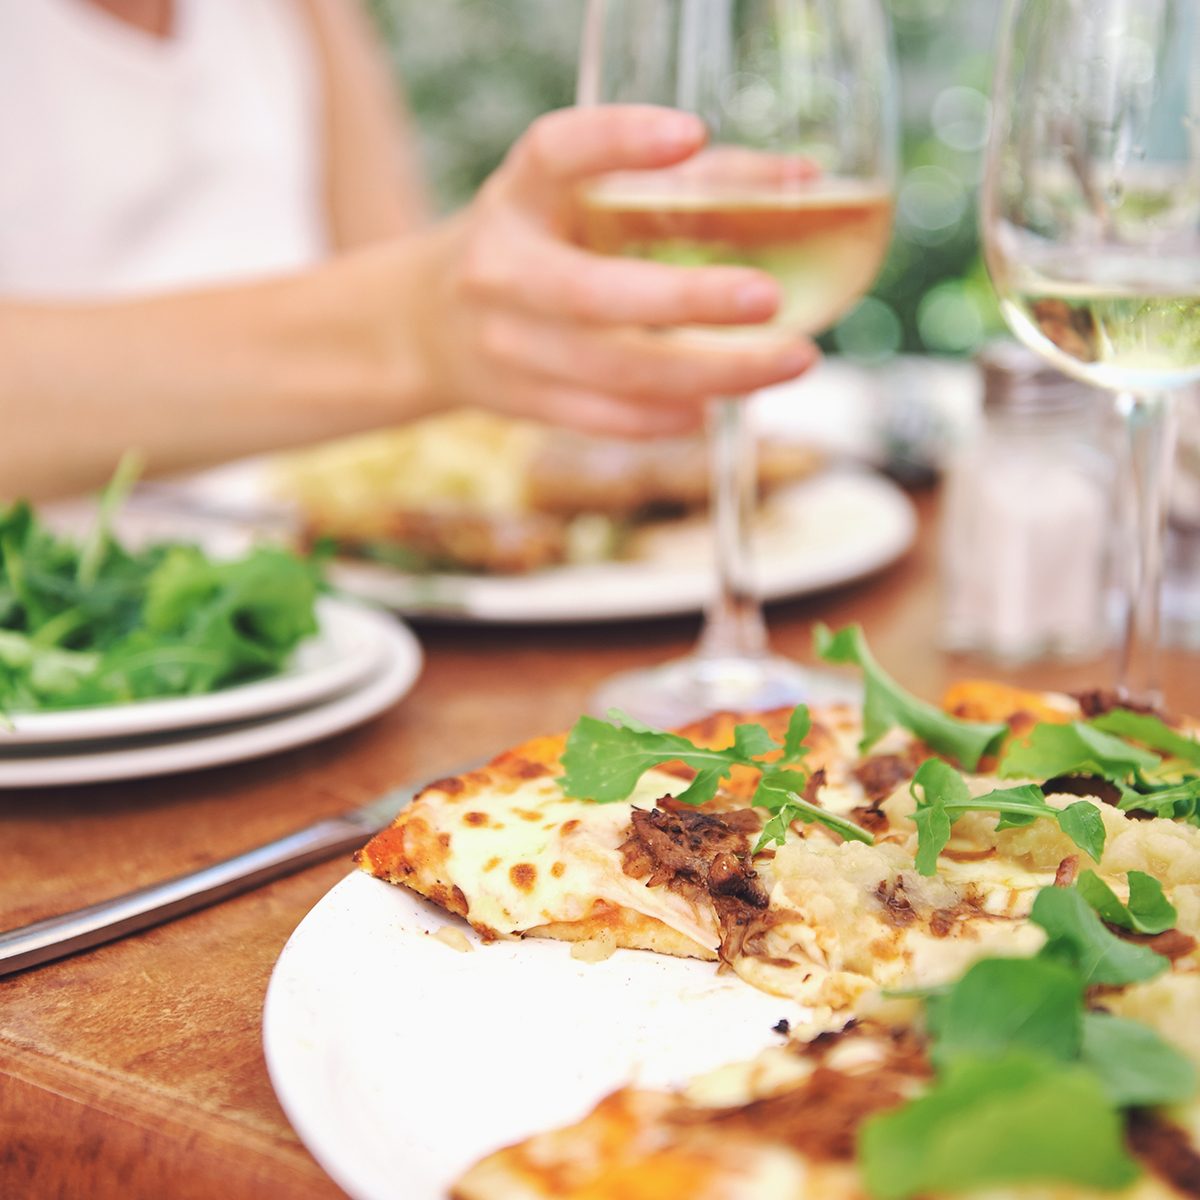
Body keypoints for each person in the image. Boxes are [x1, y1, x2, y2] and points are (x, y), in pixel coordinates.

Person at [0, 0, 817, 500]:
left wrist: (531, 302)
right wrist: (419, 331)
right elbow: (407, 310)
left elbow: (388, 256)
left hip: (325, 620)